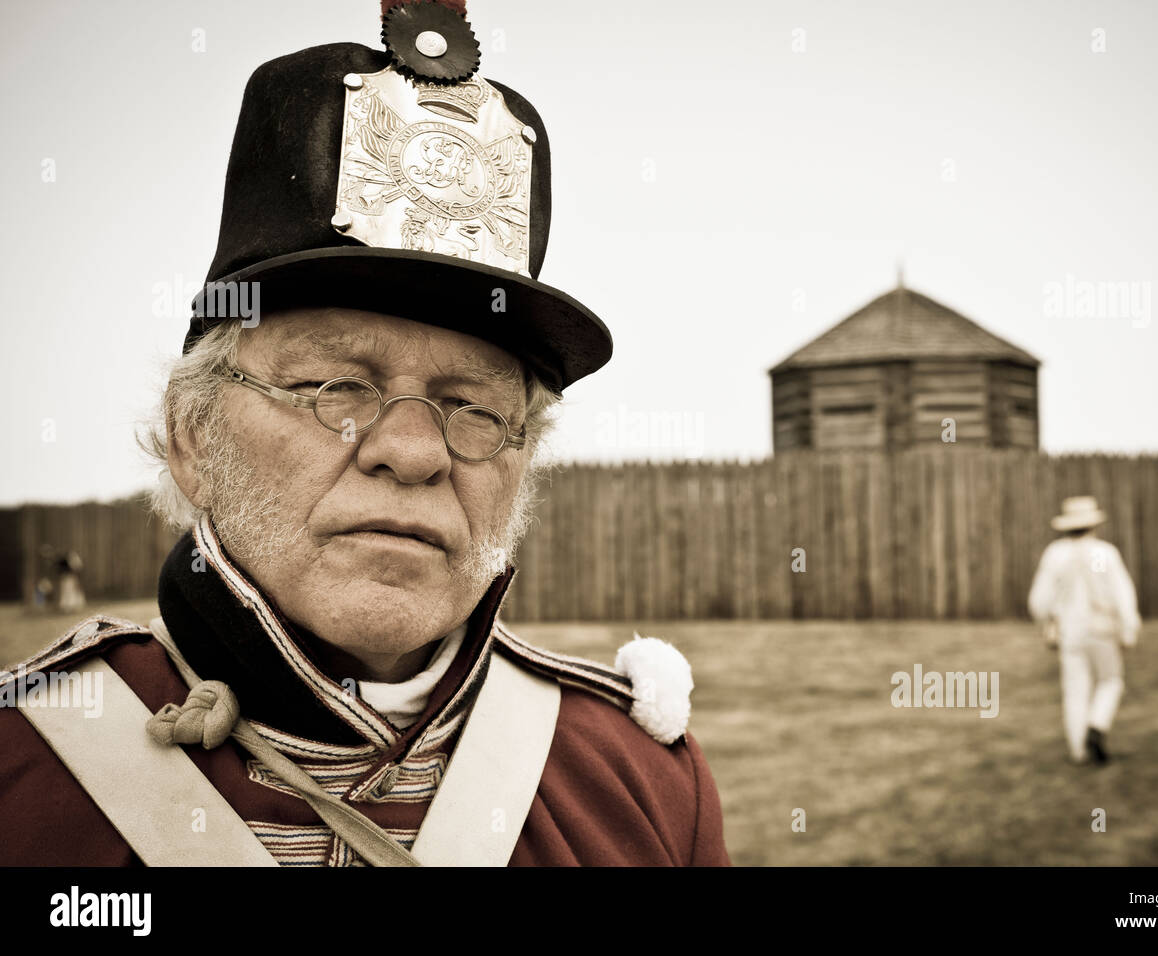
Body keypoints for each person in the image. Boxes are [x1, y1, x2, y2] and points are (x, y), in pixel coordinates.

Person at [0, 0, 728, 866]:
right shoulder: (22, 775)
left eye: (474, 406)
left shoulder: (644, 789)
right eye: (336, 386)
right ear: (194, 437)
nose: (415, 452)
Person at [1028, 496, 1141, 765]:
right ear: (1093, 524)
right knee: (1110, 681)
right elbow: (1123, 594)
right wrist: (1129, 628)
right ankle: (1097, 724)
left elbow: (1039, 600)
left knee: (1075, 689)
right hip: (1101, 630)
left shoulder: (1056, 554)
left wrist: (1047, 623)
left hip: (1070, 632)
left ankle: (1078, 750)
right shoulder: (1105, 553)